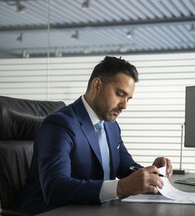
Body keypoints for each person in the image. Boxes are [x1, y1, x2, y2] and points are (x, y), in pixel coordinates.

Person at [16, 56, 173, 214]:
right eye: (119, 94)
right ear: (97, 85)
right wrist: (121, 187)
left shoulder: (111, 127)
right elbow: (55, 189)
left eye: (128, 99)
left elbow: (126, 168)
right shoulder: (60, 124)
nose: (124, 105)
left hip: (98, 210)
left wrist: (152, 174)